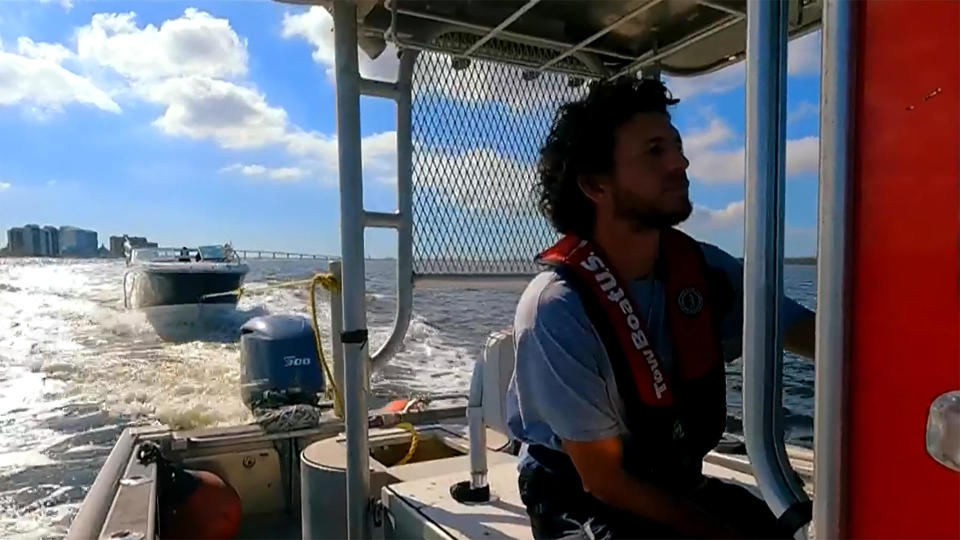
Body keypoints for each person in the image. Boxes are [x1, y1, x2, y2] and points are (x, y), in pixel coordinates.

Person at [505, 77, 815, 539]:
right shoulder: (557, 308)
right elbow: (605, 480)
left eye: (677, 145)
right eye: (654, 151)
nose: (681, 161)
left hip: (670, 479)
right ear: (595, 184)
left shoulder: (706, 270)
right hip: (580, 494)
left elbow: (800, 331)